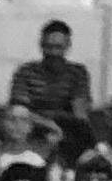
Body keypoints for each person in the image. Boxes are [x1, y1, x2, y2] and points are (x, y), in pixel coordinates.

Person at [7, 20, 94, 161]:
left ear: (68, 46)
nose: (53, 52)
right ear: (41, 45)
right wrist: (50, 126)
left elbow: (80, 111)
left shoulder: (77, 73)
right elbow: (19, 109)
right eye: (49, 47)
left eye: (58, 47)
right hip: (33, 127)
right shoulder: (26, 72)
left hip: (66, 129)